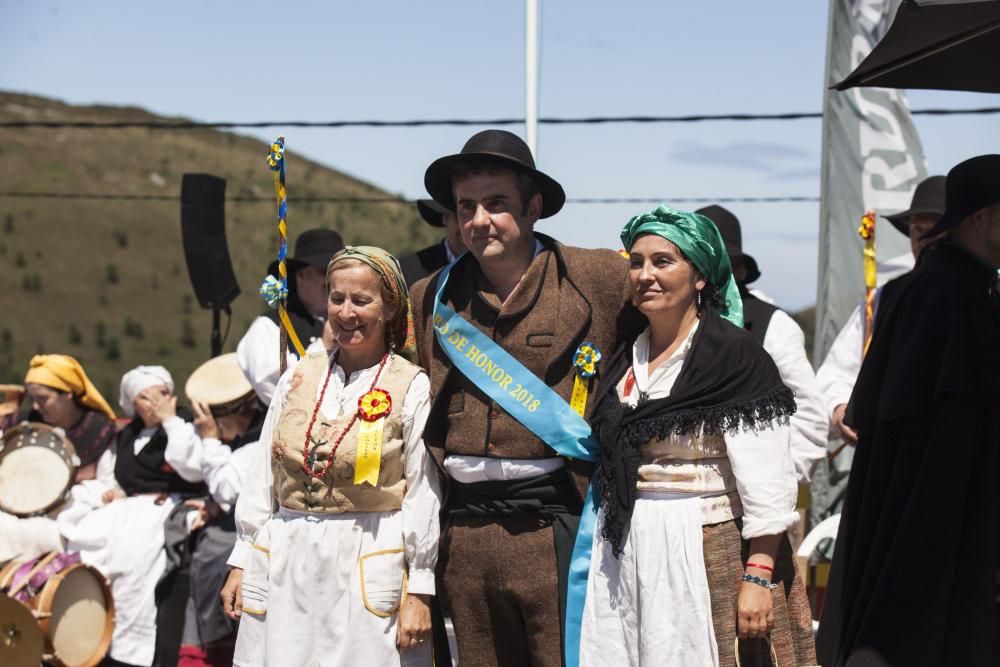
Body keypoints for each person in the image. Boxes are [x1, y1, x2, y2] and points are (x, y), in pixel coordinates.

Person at [409, 129, 639, 665]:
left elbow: (682, 321)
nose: (479, 220)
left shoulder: (600, 277)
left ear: (534, 207)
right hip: (462, 535)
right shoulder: (429, 298)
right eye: (466, 207)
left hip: (560, 528)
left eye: (496, 204)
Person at [580, 205, 815, 666]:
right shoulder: (626, 356)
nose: (645, 274)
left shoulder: (734, 358)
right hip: (627, 548)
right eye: (636, 262)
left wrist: (759, 576)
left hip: (710, 544)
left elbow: (767, 481)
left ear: (701, 275)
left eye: (663, 261)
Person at [817, 155, 1000, 666]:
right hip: (936, 508)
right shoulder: (950, 293)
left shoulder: (957, 287)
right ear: (982, 218)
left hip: (930, 503)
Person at [221, 245, 441, 666]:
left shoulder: (409, 386)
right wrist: (242, 557)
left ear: (390, 306)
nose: (345, 312)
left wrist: (419, 588)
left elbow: (423, 491)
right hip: (285, 558)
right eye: (337, 298)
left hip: (366, 558)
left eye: (361, 300)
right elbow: (262, 474)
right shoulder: (300, 375)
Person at [59, 365, 206, 667]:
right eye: (146, 397)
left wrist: (170, 419)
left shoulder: (185, 426)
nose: (155, 402)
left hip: (166, 504)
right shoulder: (127, 436)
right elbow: (116, 474)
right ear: (133, 404)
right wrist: (115, 491)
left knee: (133, 553)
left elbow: (191, 466)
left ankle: (132, 647)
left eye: (162, 394)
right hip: (129, 506)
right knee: (84, 539)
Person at [697, 205, 827, 485]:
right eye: (699, 261)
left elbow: (809, 418)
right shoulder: (666, 325)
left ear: (740, 269)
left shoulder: (773, 325)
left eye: (720, 262)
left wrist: (771, 483)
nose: (708, 273)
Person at [816, 176, 945, 451]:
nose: (924, 240)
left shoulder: (986, 296)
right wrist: (840, 409)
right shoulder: (883, 300)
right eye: (917, 230)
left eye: (935, 231)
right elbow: (835, 374)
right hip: (888, 456)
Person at [165, 353, 267, 667]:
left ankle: (215, 648)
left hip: (262, 529)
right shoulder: (244, 441)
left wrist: (210, 439)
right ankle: (201, 647)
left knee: (212, 550)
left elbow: (226, 485)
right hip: (241, 519)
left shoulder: (258, 441)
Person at [0, 354, 118, 562]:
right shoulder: (21, 423)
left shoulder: (98, 430)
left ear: (68, 395)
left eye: (43, 398)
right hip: (14, 509)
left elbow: (107, 482)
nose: (36, 406)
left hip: (72, 511)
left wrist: (71, 493)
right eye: (33, 399)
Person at [236, 227, 344, 405]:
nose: (334, 281)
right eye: (325, 271)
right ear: (301, 276)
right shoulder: (270, 327)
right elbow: (274, 389)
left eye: (340, 272)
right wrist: (323, 346)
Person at [399, 199, 466, 285]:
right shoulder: (406, 271)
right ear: (445, 217)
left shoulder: (488, 271)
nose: (468, 226)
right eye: (460, 216)